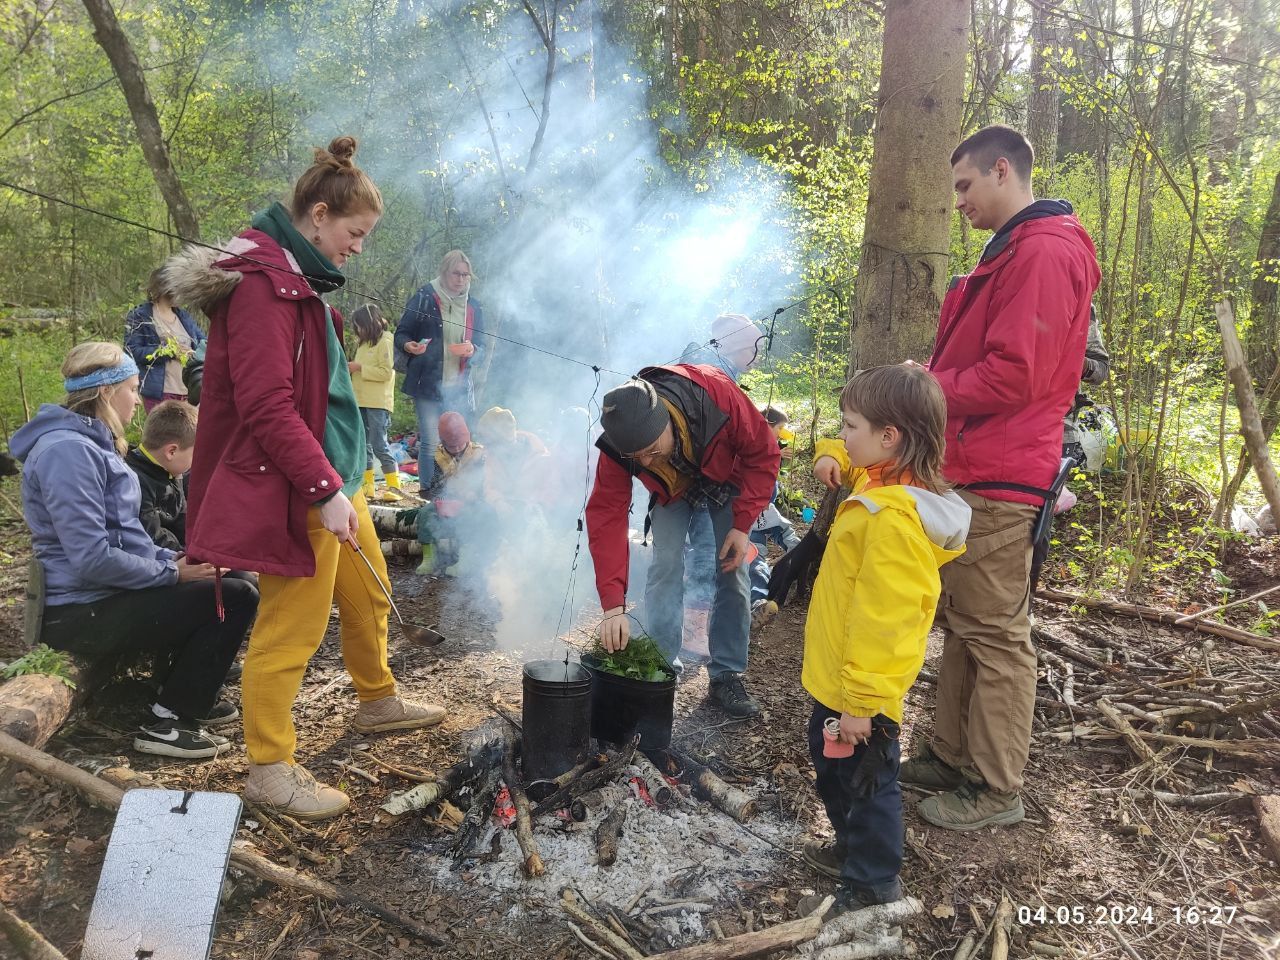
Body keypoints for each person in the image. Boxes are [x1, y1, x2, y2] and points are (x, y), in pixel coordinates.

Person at [166, 136, 446, 820]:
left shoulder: (295, 278)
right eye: (355, 233)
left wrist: (336, 481)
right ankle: (269, 765)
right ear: (318, 216)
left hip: (333, 471)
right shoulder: (262, 286)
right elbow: (265, 404)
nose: (357, 247)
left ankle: (376, 698)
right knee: (291, 627)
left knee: (369, 594)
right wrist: (320, 492)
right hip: (295, 484)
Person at [894, 125, 1100, 830]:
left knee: (996, 636)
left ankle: (996, 786)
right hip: (972, 466)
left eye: (964, 186)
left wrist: (930, 391)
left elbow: (1018, 373)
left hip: (1004, 472)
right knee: (962, 622)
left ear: (1003, 171)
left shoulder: (1043, 250)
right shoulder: (1012, 249)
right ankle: (950, 754)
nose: (958, 203)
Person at [11, 342, 256, 759]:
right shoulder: (67, 453)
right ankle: (168, 719)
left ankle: (175, 689)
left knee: (229, 579)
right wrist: (173, 575)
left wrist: (174, 560)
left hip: (105, 596)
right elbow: (91, 557)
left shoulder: (91, 444)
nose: (138, 401)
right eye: (131, 388)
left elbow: (127, 537)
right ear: (106, 392)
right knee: (236, 597)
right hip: (80, 612)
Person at [799, 365, 968, 910]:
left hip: (862, 695)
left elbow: (886, 623)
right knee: (832, 768)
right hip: (840, 682)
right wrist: (831, 452)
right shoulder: (880, 479)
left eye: (849, 426)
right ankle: (850, 849)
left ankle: (873, 881)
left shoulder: (893, 521)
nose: (843, 436)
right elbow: (850, 455)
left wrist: (864, 704)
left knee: (867, 784)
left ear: (889, 437)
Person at [586, 365, 780, 718]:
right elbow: (606, 515)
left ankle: (726, 674)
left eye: (650, 449)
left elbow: (763, 453)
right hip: (672, 490)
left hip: (725, 479)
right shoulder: (619, 443)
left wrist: (742, 523)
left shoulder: (717, 397)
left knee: (733, 571)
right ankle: (661, 669)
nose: (644, 461)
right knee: (665, 565)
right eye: (636, 457)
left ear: (666, 421)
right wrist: (612, 604)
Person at [396, 250, 485, 487]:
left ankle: (458, 494)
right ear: (444, 272)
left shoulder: (473, 306)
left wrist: (473, 350)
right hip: (427, 383)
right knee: (431, 441)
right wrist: (409, 345)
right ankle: (428, 497)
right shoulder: (425, 297)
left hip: (458, 386)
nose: (461, 279)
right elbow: (402, 332)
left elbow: (482, 346)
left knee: (459, 442)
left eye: (466, 275)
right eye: (456, 273)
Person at [124, 268, 206, 412]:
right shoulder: (141, 316)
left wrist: (192, 353)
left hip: (189, 391)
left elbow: (203, 343)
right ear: (164, 288)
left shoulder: (183, 316)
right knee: (164, 433)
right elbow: (132, 351)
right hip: (160, 392)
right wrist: (169, 352)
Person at [416, 411, 486, 576]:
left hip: (473, 501)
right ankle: (429, 558)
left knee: (471, 515)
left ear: (467, 439)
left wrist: (473, 494)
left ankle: (466, 558)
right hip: (449, 502)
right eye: (450, 446)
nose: (455, 450)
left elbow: (487, 484)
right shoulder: (438, 456)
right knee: (426, 513)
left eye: (459, 445)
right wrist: (441, 499)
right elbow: (434, 486)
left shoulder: (479, 455)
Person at [125, 399, 198, 552]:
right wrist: (189, 556)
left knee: (241, 572)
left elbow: (182, 518)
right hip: (161, 561)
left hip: (177, 552)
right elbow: (153, 536)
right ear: (171, 451)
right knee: (236, 576)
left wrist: (205, 548)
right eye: (194, 454)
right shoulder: (136, 482)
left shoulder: (171, 470)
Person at [348, 303, 404, 502]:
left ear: (370, 323)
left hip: (378, 402)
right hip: (360, 400)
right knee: (363, 445)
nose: (358, 330)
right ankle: (368, 485)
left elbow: (386, 373)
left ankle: (394, 486)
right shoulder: (363, 344)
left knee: (379, 443)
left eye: (360, 326)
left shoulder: (386, 340)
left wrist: (359, 367)